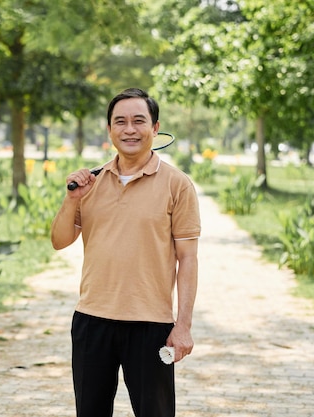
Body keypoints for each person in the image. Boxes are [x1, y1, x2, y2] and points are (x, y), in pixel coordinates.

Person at [50, 87, 201, 417]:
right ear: (109, 130)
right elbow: (59, 241)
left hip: (151, 324)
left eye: (138, 121)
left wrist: (184, 325)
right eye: (120, 121)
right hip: (92, 319)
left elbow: (187, 258)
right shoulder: (89, 182)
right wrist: (71, 199)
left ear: (155, 128)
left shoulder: (178, 185)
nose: (129, 129)